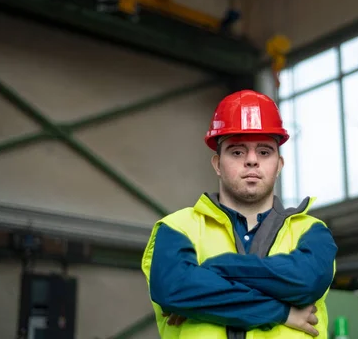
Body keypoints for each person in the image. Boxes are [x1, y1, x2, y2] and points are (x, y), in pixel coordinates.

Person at [141, 89, 338, 338]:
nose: (252, 160)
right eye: (237, 151)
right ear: (217, 164)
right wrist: (282, 312)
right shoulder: (177, 227)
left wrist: (211, 271)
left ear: (279, 165)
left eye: (264, 152)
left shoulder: (311, 231)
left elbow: (305, 283)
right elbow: (173, 289)